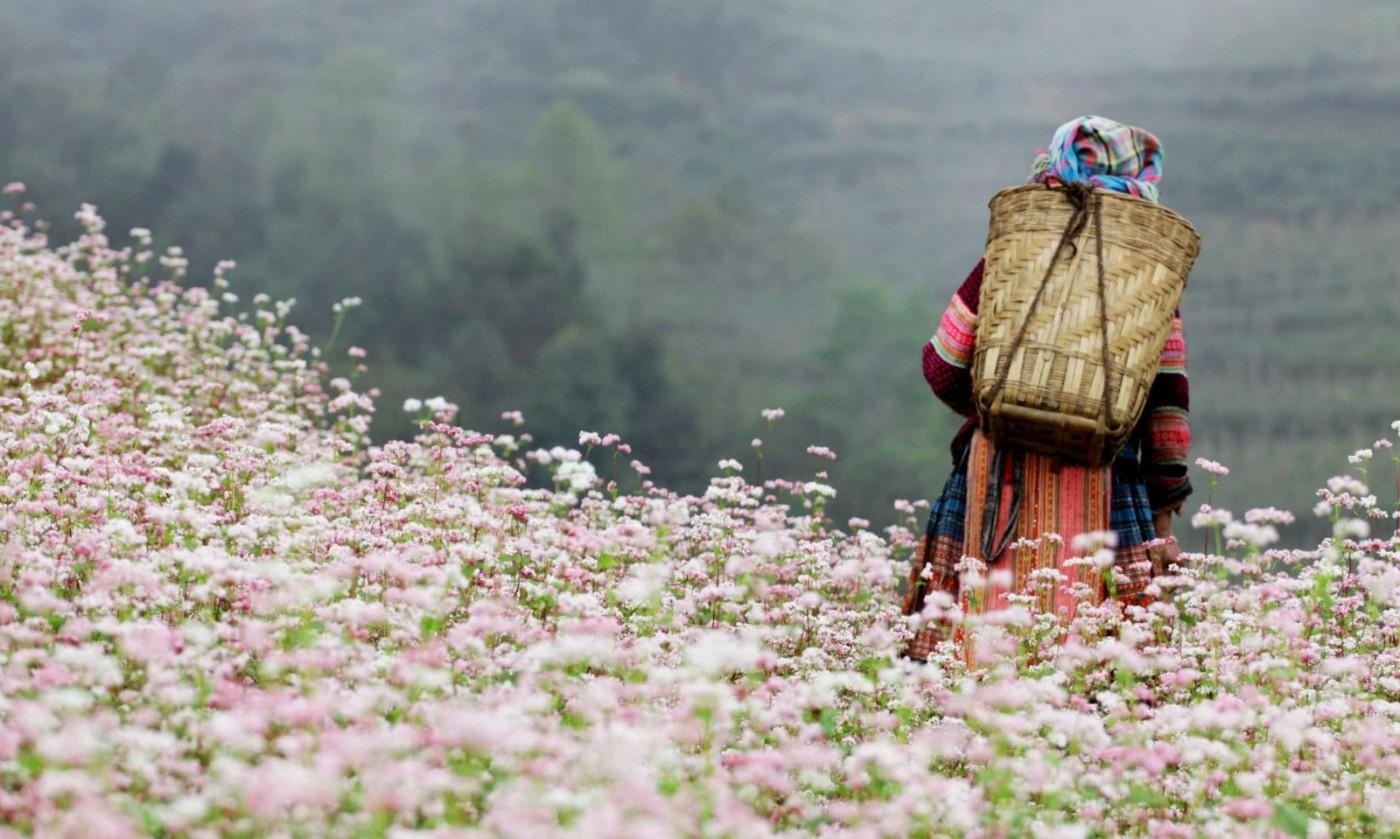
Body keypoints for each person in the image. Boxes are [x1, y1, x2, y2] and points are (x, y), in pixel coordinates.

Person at [901, 115, 1192, 662]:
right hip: (1109, 482)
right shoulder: (1152, 278)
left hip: (995, 478)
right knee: (1104, 671)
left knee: (969, 653)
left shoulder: (1012, 255)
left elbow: (943, 363)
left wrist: (1005, 409)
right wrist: (1162, 520)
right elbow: (1167, 413)